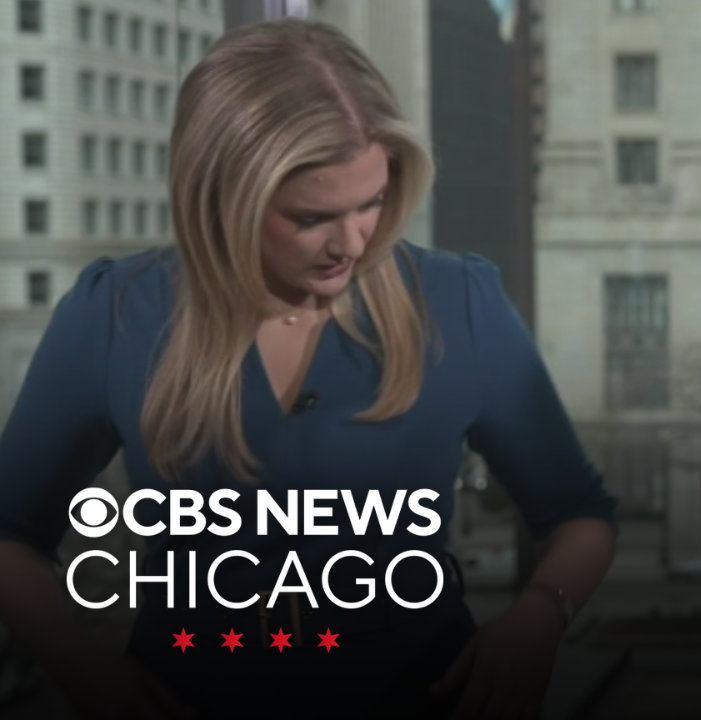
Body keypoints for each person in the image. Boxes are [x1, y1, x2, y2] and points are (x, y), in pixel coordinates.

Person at [0, 18, 617, 720]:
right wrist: (82, 670)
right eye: (311, 217)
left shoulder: (459, 303)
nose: (352, 243)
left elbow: (580, 517)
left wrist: (539, 616)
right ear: (224, 197)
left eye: (372, 202)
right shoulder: (114, 314)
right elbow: (10, 532)